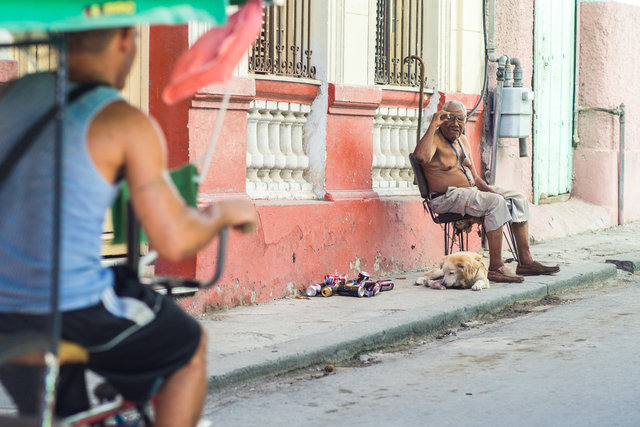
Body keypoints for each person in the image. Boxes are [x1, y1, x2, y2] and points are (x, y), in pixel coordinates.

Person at [0, 28, 258, 426]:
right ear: (124, 38)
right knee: (189, 347)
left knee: (62, 413)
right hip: (71, 309)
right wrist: (224, 213)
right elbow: (173, 239)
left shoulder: (8, 95)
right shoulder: (123, 121)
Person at [413, 100, 559, 283]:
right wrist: (433, 123)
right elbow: (420, 157)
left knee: (517, 198)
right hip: (446, 197)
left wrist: (493, 192)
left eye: (460, 119)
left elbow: (475, 178)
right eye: (450, 118)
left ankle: (526, 262)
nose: (455, 123)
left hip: (468, 192)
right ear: (442, 119)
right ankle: (496, 268)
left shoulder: (462, 141)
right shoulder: (434, 139)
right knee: (495, 203)